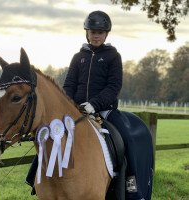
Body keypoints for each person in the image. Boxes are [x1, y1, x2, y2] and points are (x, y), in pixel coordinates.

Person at [63, 10, 153, 200]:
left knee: (127, 139)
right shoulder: (77, 57)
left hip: (104, 110)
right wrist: (69, 106)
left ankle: (132, 186)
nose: (96, 35)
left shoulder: (113, 56)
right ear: (86, 32)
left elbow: (114, 86)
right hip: (76, 110)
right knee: (54, 135)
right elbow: (69, 85)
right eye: (93, 31)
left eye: (101, 32)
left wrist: (94, 104)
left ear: (106, 34)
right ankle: (36, 176)